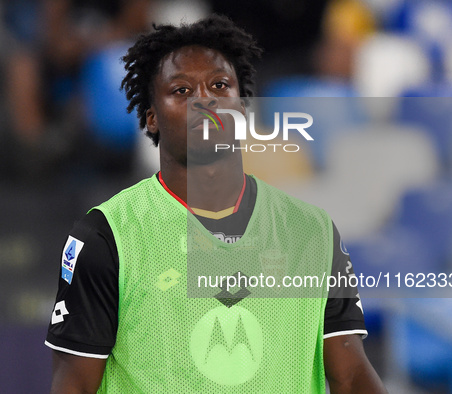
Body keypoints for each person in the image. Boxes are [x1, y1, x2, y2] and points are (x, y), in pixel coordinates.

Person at [45, 14, 387, 393]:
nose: (204, 101)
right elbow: (74, 385)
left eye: (219, 85)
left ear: (240, 108)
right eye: (181, 91)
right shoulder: (106, 236)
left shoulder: (312, 232)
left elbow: (352, 374)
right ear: (151, 118)